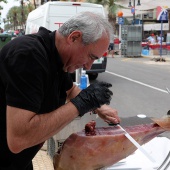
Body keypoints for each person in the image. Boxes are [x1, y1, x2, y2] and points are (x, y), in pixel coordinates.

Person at [0, 11, 120, 170]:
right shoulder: (29, 55)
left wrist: (99, 107)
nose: (88, 66)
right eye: (90, 56)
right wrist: (82, 102)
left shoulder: (57, 58)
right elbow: (18, 139)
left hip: (20, 161)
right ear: (74, 37)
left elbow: (70, 91)